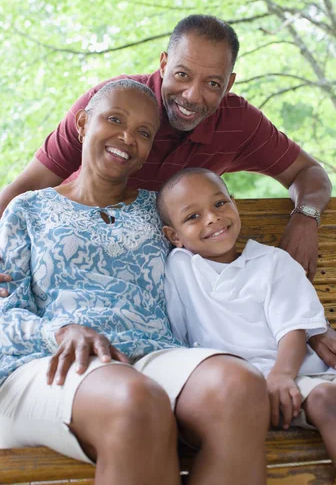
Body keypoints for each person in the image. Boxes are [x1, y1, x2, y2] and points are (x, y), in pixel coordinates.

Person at [0, 14, 336, 369]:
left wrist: (305, 219)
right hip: (75, 283)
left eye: (212, 83)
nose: (193, 96)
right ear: (163, 64)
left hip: (165, 302)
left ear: (229, 83)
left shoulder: (238, 123)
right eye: (182, 74)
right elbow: (25, 189)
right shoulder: (114, 105)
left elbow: (309, 172)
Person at [0, 81, 270, 485]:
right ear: (82, 123)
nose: (128, 138)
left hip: (153, 355)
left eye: (144, 133)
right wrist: (58, 330)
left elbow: (224, 274)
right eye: (115, 120)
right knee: (138, 400)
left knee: (239, 385)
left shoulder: (156, 209)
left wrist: (309, 332)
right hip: (49, 362)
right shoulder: (29, 209)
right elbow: (5, 310)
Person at [157, 167, 336, 485]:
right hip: (259, 385)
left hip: (309, 366)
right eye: (192, 217)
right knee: (332, 401)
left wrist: (283, 374)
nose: (212, 218)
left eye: (219, 204)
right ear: (174, 236)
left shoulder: (271, 261)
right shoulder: (178, 269)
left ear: (235, 203)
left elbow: (293, 328)